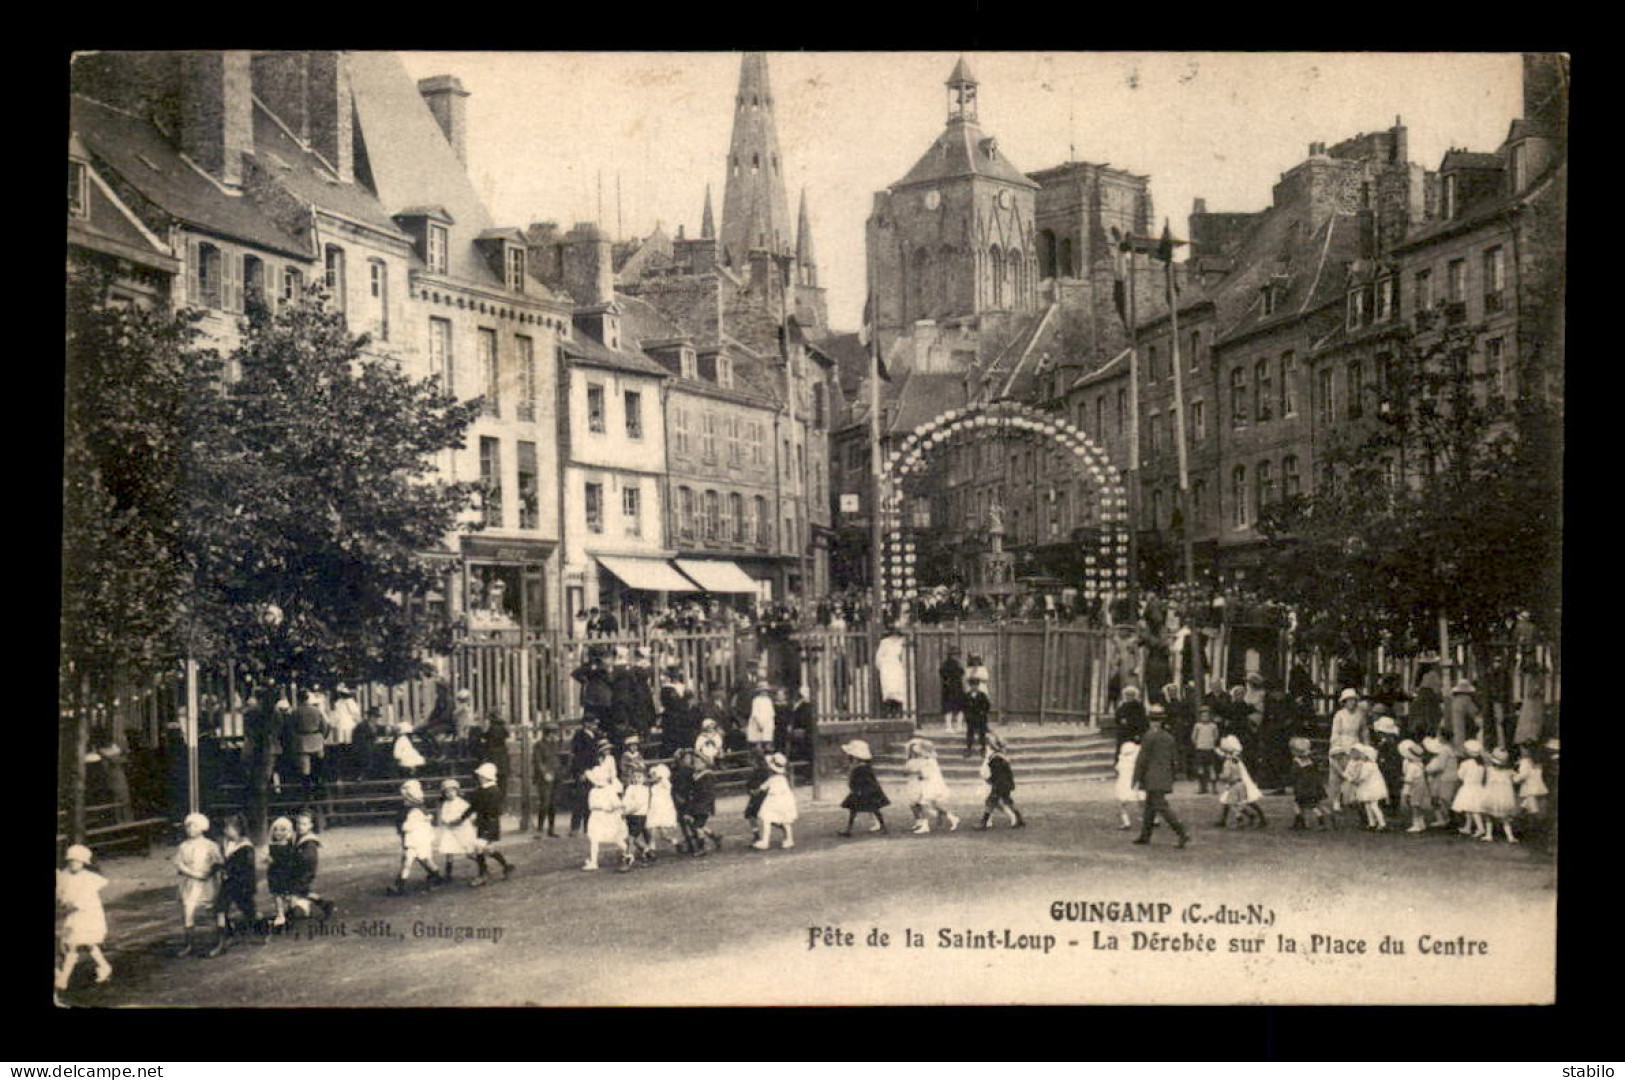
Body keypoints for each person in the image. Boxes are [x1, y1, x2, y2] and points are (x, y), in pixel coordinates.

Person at [55, 844, 113, 993]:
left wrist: (71, 906)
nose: (73, 864)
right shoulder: (64, 876)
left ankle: (64, 979)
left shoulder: (88, 879)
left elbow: (84, 901)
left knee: (76, 945)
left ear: (84, 863)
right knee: (84, 945)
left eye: (78, 861)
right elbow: (61, 894)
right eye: (71, 861)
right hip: (73, 916)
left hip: (87, 916)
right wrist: (63, 902)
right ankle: (104, 966)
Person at [1130, 709, 1189, 847]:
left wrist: (1136, 778)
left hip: (1152, 776)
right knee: (1150, 807)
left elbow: (1142, 759)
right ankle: (1145, 836)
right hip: (1164, 775)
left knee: (1161, 807)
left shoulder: (1149, 736)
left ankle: (1182, 833)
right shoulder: (1169, 737)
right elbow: (1175, 759)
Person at [173, 811, 224, 957]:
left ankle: (216, 941)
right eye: (188, 827)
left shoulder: (210, 845)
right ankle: (189, 943)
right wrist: (191, 872)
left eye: (194, 826)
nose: (190, 829)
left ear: (202, 827)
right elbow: (179, 863)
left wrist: (210, 872)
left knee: (210, 911)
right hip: (190, 883)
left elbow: (218, 862)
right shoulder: (183, 846)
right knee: (188, 911)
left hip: (207, 883)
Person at [217, 813, 266, 949]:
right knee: (221, 907)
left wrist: (228, 869)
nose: (225, 831)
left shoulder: (246, 847)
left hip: (242, 883)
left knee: (248, 909)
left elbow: (245, 867)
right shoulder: (227, 843)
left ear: (238, 830)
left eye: (229, 828)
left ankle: (262, 929)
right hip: (229, 882)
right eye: (225, 828)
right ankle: (225, 937)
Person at [583, 743, 632, 872]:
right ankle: (594, 861)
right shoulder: (594, 791)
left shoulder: (608, 789)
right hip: (597, 817)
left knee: (615, 837)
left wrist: (615, 809)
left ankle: (627, 853)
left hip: (607, 817)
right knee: (594, 837)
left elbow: (616, 804)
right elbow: (592, 805)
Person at [391, 780, 445, 895]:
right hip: (411, 840)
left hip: (418, 841)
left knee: (422, 859)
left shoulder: (418, 810)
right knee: (409, 860)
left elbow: (409, 826)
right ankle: (400, 884)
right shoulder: (407, 808)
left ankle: (435, 876)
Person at [467, 761, 513, 884]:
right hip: (482, 824)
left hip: (490, 824)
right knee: (488, 849)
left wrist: (483, 817)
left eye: (481, 776)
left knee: (478, 848)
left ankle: (482, 875)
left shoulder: (494, 791)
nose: (479, 778)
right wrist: (463, 817)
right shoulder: (479, 791)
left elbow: (495, 811)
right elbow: (473, 806)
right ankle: (506, 865)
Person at [903, 735, 959, 834]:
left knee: (924, 803)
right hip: (930, 784)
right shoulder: (930, 760)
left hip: (931, 784)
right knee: (931, 805)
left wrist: (917, 772)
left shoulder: (929, 761)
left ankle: (926, 826)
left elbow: (926, 774)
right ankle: (952, 818)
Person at [836, 739, 890, 836]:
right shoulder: (860, 767)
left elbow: (866, 781)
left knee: (872, 809)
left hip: (865, 792)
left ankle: (882, 826)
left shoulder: (862, 768)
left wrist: (858, 789)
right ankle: (849, 829)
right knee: (857, 810)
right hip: (861, 791)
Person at [1215, 734, 1266, 829]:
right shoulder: (1233, 758)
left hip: (1239, 779)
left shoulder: (1233, 759)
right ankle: (1223, 819)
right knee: (1229, 799)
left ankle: (1259, 817)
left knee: (1244, 799)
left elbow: (1230, 771)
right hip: (1236, 780)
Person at [752, 753, 799, 850]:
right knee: (785, 821)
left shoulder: (773, 779)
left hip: (775, 801)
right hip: (785, 801)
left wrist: (755, 792)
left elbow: (762, 788)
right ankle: (789, 839)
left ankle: (765, 841)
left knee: (766, 818)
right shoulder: (782, 779)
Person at [977, 733, 1024, 829]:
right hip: (1005, 783)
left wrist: (991, 781)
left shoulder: (996, 759)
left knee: (990, 801)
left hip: (1000, 784)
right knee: (1008, 801)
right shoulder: (1001, 757)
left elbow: (998, 775)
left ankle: (983, 823)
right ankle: (1019, 818)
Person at [435, 779, 477, 882]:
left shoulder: (462, 803)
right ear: (444, 793)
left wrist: (464, 821)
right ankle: (448, 874)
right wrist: (445, 821)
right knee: (449, 851)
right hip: (450, 830)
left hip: (462, 830)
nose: (450, 794)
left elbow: (470, 814)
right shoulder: (445, 804)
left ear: (457, 791)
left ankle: (483, 868)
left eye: (452, 791)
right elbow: (443, 816)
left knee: (469, 852)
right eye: (447, 792)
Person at [1287, 737, 1332, 831]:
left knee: (1299, 804)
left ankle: (1305, 822)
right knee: (1312, 805)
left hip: (1302, 788)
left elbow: (1294, 775)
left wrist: (1291, 782)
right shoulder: (1311, 762)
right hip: (1313, 788)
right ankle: (1309, 822)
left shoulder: (1296, 762)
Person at [567, 717, 602, 836]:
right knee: (580, 799)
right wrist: (581, 772)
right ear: (586, 723)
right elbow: (577, 755)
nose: (595, 726)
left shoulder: (595, 736)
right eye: (593, 723)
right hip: (582, 770)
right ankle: (575, 827)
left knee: (591, 799)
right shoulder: (579, 736)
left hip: (593, 771)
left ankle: (588, 827)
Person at [265, 817, 300, 930]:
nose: (278, 833)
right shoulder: (272, 846)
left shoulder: (290, 846)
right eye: (276, 830)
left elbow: (290, 860)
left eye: (282, 830)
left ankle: (292, 909)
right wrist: (268, 859)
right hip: (274, 873)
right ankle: (280, 914)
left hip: (286, 872)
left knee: (288, 894)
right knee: (276, 894)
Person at [1479, 747, 1520, 844]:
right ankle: (1510, 836)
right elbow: (1517, 780)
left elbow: (1486, 761)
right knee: (1505, 818)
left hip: (1491, 796)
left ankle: (1489, 835)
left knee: (1488, 816)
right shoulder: (1509, 772)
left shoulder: (1490, 770)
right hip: (1504, 798)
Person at [1344, 744, 1389, 830]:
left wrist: (1354, 781)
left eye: (1362, 754)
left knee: (1373, 805)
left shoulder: (1369, 765)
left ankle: (1382, 823)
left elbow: (1363, 777)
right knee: (1367, 805)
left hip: (1372, 788)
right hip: (1367, 787)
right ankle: (1372, 823)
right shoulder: (1367, 764)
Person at [1452, 739, 1488, 839]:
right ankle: (1467, 827)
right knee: (1469, 808)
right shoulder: (1481, 764)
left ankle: (1481, 829)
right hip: (1478, 787)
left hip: (1468, 787)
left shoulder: (1466, 763)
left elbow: (1460, 775)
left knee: (1473, 810)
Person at [1422, 736, 1459, 830]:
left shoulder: (1444, 751)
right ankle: (1444, 819)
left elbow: (1441, 766)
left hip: (1444, 777)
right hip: (1443, 777)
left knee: (1444, 798)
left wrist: (1428, 769)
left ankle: (1449, 819)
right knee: (1438, 798)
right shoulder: (1449, 749)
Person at [1371, 714, 1404, 812]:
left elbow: (1391, 756)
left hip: (1390, 767)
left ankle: (1393, 807)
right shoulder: (1385, 743)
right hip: (1387, 766)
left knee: (1392, 787)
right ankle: (1387, 805)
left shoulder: (1390, 744)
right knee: (1385, 787)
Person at [646, 763, 682, 855]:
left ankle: (675, 842)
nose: (653, 776)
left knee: (663, 834)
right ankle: (652, 847)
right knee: (652, 828)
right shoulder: (653, 786)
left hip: (662, 808)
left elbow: (665, 784)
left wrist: (660, 777)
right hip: (654, 808)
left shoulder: (665, 783)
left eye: (655, 774)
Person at [532, 724, 560, 838]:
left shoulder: (554, 745)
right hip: (544, 779)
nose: (555, 736)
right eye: (553, 733)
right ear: (548, 733)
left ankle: (551, 829)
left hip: (555, 776)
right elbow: (538, 762)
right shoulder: (539, 745)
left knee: (553, 803)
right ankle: (539, 829)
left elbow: (557, 760)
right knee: (545, 803)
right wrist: (545, 774)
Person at [1398, 740, 1429, 833]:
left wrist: (1406, 791)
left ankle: (1416, 825)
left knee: (1414, 805)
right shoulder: (1419, 764)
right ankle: (1421, 823)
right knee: (1418, 805)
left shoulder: (1411, 766)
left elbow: (1408, 780)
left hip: (1414, 787)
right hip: (1421, 785)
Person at [1115, 737, 1146, 830]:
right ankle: (1152, 819)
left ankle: (1126, 822)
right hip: (1136, 781)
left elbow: (1118, 769)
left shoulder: (1122, 759)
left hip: (1124, 782)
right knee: (1143, 801)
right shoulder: (1137, 758)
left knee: (1122, 803)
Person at [1514, 742, 1549, 821]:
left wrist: (1514, 778)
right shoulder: (1538, 760)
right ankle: (1523, 820)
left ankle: (1533, 827)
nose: (1521, 751)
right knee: (1525, 807)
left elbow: (1523, 774)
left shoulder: (1525, 761)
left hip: (1529, 788)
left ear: (1527, 750)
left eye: (1522, 749)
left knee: (1533, 811)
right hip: (1538, 786)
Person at [1190, 707, 1220, 795]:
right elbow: (1193, 737)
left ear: (1210, 716)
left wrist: (1211, 743)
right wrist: (1198, 744)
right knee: (1200, 768)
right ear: (1200, 717)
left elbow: (1216, 736)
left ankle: (1214, 788)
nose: (1205, 717)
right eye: (1203, 716)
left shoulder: (1213, 726)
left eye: (1207, 716)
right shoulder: (1197, 725)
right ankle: (1202, 787)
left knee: (1211, 768)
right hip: (1200, 749)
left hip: (1210, 749)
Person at [940, 646, 966, 735]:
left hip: (950, 687)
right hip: (953, 688)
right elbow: (961, 673)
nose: (957, 656)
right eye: (955, 654)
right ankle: (953, 727)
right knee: (954, 707)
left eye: (957, 654)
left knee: (953, 707)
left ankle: (953, 726)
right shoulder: (956, 665)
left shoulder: (945, 664)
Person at [747, 683, 776, 751]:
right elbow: (755, 713)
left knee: (767, 740)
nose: (764, 692)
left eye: (766, 691)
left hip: (767, 723)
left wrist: (770, 723)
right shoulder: (756, 700)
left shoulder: (768, 700)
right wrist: (759, 723)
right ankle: (758, 753)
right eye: (763, 691)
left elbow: (771, 713)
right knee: (758, 741)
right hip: (758, 723)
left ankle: (767, 752)